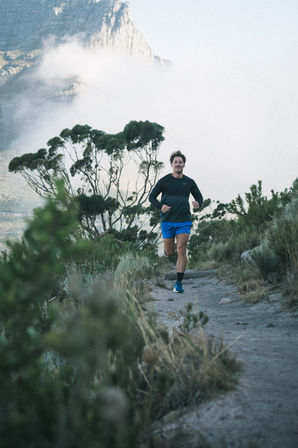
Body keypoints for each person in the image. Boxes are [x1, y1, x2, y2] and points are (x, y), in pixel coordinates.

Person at [149, 150, 203, 293]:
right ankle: (169, 253)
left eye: (180, 162)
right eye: (176, 162)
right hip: (167, 221)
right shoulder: (165, 181)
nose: (178, 164)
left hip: (183, 220)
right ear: (172, 165)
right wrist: (161, 206)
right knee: (170, 252)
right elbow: (152, 197)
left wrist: (198, 204)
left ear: (184, 165)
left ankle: (178, 283)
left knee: (181, 250)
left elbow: (199, 197)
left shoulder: (189, 182)